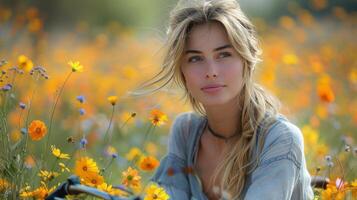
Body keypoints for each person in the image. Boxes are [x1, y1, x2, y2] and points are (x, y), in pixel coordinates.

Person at [134, 0, 314, 199]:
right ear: (182, 70)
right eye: (195, 58)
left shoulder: (280, 138)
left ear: (247, 61)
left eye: (224, 55)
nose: (211, 72)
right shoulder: (186, 133)